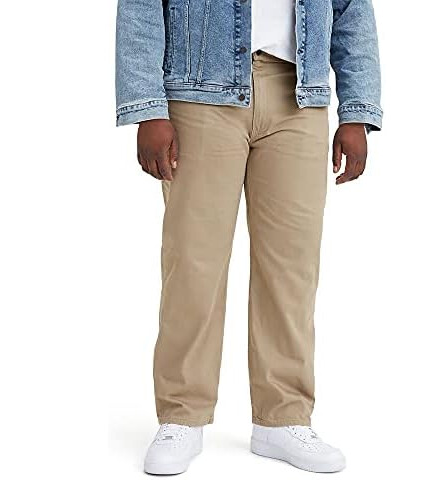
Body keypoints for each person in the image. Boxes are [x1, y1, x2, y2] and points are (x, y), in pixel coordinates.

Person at [116, 0, 382, 474]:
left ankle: (283, 418)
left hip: (299, 93)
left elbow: (351, 9)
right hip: (200, 90)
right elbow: (141, 6)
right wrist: (147, 107)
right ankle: (182, 415)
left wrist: (356, 110)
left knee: (293, 268)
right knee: (194, 262)